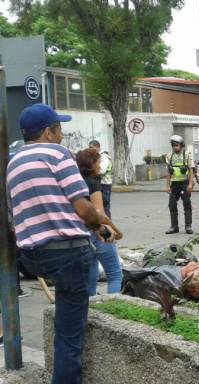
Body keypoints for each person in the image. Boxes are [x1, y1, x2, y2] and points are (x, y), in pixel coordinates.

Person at [7, 103, 112, 384]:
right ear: (47, 132)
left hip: (32, 256)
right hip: (67, 252)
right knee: (69, 335)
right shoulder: (57, 154)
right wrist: (99, 227)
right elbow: (83, 207)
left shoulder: (13, 161)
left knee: (67, 310)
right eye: (59, 129)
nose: (62, 134)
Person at [76, 148, 124, 295]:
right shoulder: (93, 182)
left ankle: (89, 309)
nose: (100, 165)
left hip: (82, 234)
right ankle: (111, 308)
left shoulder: (76, 181)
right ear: (92, 164)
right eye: (98, 162)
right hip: (98, 233)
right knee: (115, 274)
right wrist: (117, 231)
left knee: (92, 275)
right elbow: (100, 214)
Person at [165, 135, 194, 235]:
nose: (174, 147)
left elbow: (191, 170)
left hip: (184, 183)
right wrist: (167, 186)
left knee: (187, 204)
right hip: (174, 184)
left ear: (181, 145)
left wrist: (190, 184)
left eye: (176, 145)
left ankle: (188, 226)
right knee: (172, 205)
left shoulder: (187, 155)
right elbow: (168, 172)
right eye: (173, 145)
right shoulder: (169, 156)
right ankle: (174, 226)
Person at [88, 140, 113, 218]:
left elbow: (101, 170)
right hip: (100, 183)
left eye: (91, 147)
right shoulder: (97, 156)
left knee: (105, 205)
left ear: (97, 147)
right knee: (99, 205)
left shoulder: (104, 157)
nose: (89, 149)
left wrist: (91, 170)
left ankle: (108, 224)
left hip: (105, 184)